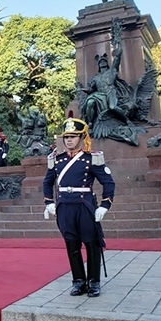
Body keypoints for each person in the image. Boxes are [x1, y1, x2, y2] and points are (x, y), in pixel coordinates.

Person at [43, 118, 115, 298]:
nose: (69, 140)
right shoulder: (56, 160)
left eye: (73, 136)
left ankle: (93, 282)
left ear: (82, 138)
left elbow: (108, 182)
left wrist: (105, 205)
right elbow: (47, 182)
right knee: (71, 245)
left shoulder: (92, 158)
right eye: (66, 137)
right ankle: (78, 281)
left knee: (91, 244)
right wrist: (49, 202)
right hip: (65, 207)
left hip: (85, 205)